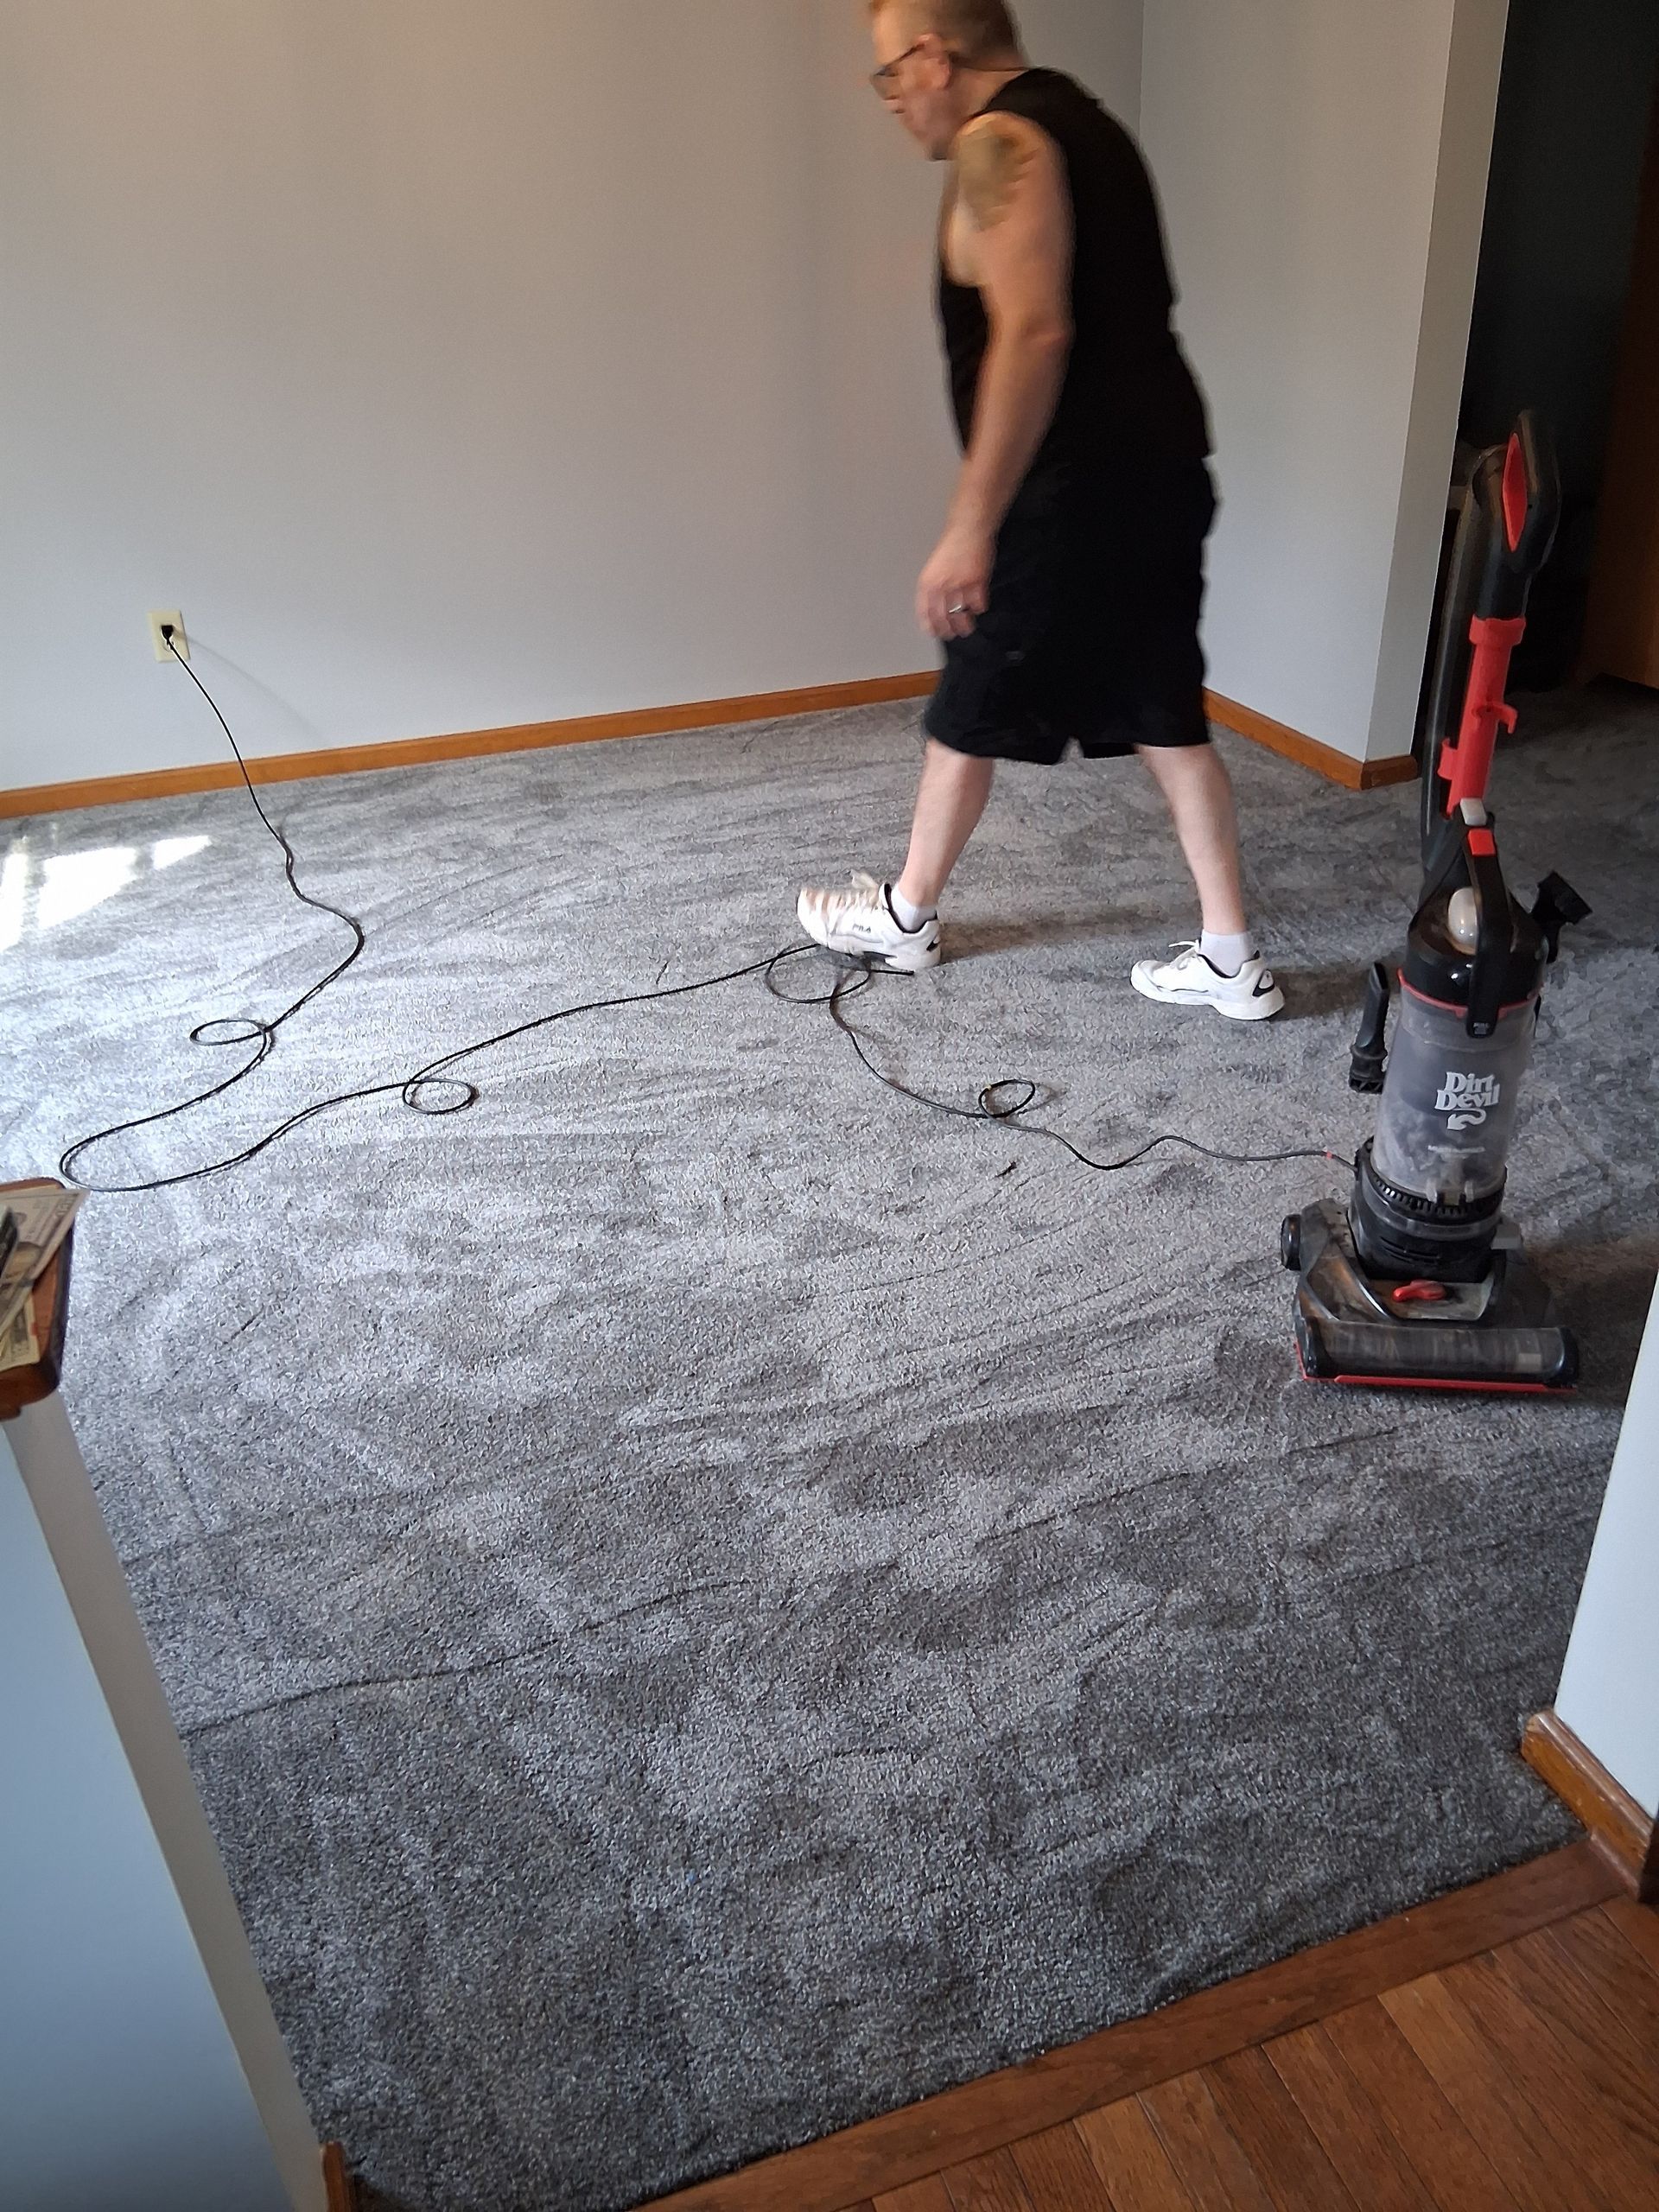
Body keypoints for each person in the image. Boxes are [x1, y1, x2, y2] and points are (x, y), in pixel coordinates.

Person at [797, 0, 1282, 1020]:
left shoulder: (999, 140)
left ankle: (906, 914)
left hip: (1069, 493)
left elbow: (1034, 333)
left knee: (971, 695)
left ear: (934, 56)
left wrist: (972, 525)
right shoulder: (1088, 125)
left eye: (890, 75)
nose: (890, 100)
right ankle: (1232, 956)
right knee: (1164, 705)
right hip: (1159, 471)